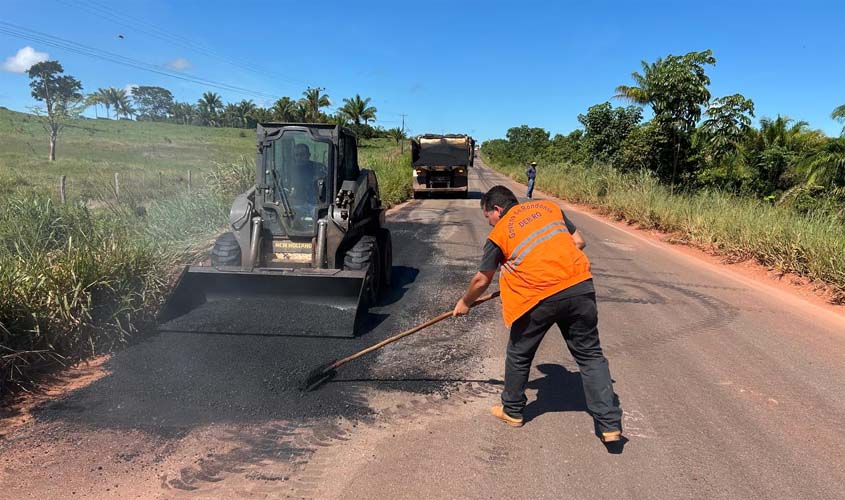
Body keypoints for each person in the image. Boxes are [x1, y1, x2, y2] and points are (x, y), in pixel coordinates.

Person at [453, 185, 623, 443]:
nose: (489, 223)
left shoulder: (499, 233)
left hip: (537, 296)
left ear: (497, 210)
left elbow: (481, 280)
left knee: (519, 354)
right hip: (579, 287)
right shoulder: (548, 207)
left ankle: (512, 411)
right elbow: (579, 242)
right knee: (590, 355)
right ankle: (610, 425)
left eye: (487, 217)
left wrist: (464, 303)